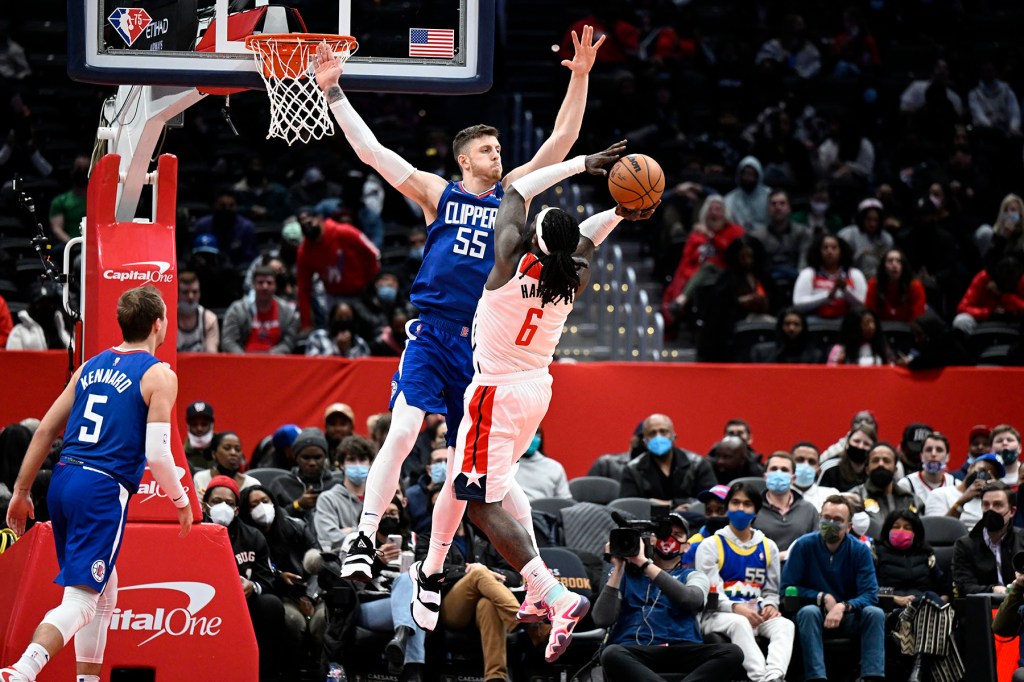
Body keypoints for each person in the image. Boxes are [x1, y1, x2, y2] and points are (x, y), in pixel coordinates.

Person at [312, 27, 607, 582]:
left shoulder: (513, 196)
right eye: (488, 150)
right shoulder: (436, 193)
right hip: (432, 331)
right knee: (402, 431)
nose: (499, 155)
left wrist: (581, 76)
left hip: (480, 347)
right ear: (465, 160)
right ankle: (364, 535)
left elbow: (563, 140)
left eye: (499, 148)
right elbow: (373, 153)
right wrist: (333, 94)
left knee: (472, 470)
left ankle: (482, 571)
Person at [406, 143, 654, 662]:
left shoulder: (505, 269)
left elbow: (518, 189)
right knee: (491, 486)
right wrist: (620, 211)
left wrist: (585, 166)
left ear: (530, 242)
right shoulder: (574, 276)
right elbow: (586, 239)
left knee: (479, 505)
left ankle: (557, 594)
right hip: (536, 391)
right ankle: (541, 595)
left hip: (493, 393)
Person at [2, 285, 192, 682]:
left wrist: (21, 491)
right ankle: (22, 671)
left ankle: (86, 678)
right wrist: (181, 498)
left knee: (105, 588)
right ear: (159, 325)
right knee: (83, 600)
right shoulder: (159, 374)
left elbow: (44, 431)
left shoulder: (89, 366)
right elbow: (158, 454)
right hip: (101, 488)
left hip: (63, 480)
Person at [593, 513, 745, 681]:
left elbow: (690, 599)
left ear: (686, 546)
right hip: (634, 650)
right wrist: (618, 567)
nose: (669, 539)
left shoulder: (693, 575)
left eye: (677, 535)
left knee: (732, 652)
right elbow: (601, 619)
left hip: (681, 649)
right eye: (664, 534)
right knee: (611, 653)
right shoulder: (624, 575)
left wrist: (645, 564)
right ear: (652, 540)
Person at [697, 482, 794, 682]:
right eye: (735, 503)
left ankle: (775, 675)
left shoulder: (769, 547)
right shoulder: (711, 545)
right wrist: (737, 608)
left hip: (756, 614)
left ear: (756, 511)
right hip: (717, 615)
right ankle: (760, 678)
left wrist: (769, 605)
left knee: (785, 625)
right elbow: (710, 594)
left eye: (747, 504)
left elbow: (771, 591)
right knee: (740, 622)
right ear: (728, 507)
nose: (740, 509)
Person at [782, 495, 885, 682]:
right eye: (826, 518)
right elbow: (787, 588)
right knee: (808, 611)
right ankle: (816, 678)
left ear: (849, 526)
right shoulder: (803, 545)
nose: (830, 523)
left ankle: (871, 677)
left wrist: (843, 606)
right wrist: (822, 597)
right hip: (814, 616)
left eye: (838, 520)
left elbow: (870, 594)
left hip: (848, 615)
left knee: (875, 613)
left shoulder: (860, 550)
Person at [202, 476, 284, 682]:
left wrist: (252, 586)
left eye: (229, 503)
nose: (223, 507)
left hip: (243, 604)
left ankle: (264, 674)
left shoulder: (253, 536)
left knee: (271, 604)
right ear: (205, 505)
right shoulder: (193, 530)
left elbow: (267, 579)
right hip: (203, 602)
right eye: (216, 501)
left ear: (237, 510)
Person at [872, 510, 953, 680]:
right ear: (887, 529)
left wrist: (938, 603)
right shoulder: (875, 553)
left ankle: (920, 664)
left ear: (916, 532)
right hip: (891, 609)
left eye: (907, 527)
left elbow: (945, 591)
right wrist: (895, 599)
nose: (901, 530)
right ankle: (920, 666)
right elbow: (868, 588)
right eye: (896, 526)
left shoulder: (926, 555)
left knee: (933, 603)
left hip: (925, 608)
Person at [295, 208, 381, 333]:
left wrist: (369, 280)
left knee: (369, 330)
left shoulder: (344, 231)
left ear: (319, 218)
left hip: (360, 292)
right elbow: (303, 288)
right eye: (302, 225)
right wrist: (306, 323)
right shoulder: (304, 252)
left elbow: (373, 253)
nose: (307, 228)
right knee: (335, 333)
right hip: (332, 296)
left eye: (309, 222)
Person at [621, 414, 718, 512]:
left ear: (674, 436)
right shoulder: (632, 469)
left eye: (663, 432)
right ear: (645, 441)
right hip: (650, 525)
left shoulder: (698, 464)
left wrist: (671, 504)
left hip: (693, 523)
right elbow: (630, 508)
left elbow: (712, 502)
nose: (658, 437)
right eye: (652, 433)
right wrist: (671, 511)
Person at [951, 482, 1024, 595]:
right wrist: (993, 590)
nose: (991, 510)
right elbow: (964, 586)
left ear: (1012, 512)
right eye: (986, 505)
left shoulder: (1022, 539)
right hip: (982, 606)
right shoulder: (965, 545)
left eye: (997, 505)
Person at [314, 435, 376, 552]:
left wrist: (349, 532)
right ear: (342, 465)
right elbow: (329, 539)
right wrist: (366, 532)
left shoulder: (379, 499)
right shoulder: (328, 499)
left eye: (362, 459)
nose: (358, 465)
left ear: (370, 463)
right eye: (352, 460)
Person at [221, 266, 300, 354]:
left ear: (275, 286)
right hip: (243, 362)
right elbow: (229, 341)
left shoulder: (287, 311)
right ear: (253, 285)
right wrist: (244, 359)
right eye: (260, 282)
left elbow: (288, 343)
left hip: (275, 362)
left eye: (269, 283)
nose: (265, 286)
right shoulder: (237, 310)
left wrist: (268, 358)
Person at [849, 443, 923, 534]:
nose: (880, 464)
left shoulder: (912, 500)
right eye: (875, 460)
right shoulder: (854, 497)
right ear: (867, 469)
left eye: (886, 461)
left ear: (895, 469)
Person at [757, 452, 819, 559]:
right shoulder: (753, 508)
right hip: (761, 569)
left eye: (784, 470)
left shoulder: (809, 510)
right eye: (774, 469)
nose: (779, 473)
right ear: (765, 476)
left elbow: (817, 547)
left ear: (793, 478)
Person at [792, 233, 867, 320]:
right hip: (815, 320)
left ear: (841, 251)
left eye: (834, 248)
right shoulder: (808, 273)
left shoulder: (854, 274)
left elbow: (864, 304)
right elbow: (798, 304)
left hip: (846, 321)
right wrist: (827, 296)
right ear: (818, 251)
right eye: (825, 248)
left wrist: (846, 290)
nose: (829, 251)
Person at [268, 427, 335, 522]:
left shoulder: (336, 483)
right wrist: (298, 505)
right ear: (296, 458)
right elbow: (271, 519)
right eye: (306, 458)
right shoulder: (280, 484)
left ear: (325, 457)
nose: (312, 463)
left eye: (317, 457)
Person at [925, 453, 1004, 531]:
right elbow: (936, 532)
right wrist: (961, 502)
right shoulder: (940, 494)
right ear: (971, 467)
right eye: (982, 471)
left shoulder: (991, 504)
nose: (985, 477)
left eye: (992, 475)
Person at [192, 431, 260, 499]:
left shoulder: (252, 484)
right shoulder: (200, 478)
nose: (233, 453)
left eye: (238, 449)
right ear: (214, 454)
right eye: (227, 448)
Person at [865, 248, 927, 322]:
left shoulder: (915, 286)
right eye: (890, 261)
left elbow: (918, 317)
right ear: (884, 266)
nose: (894, 265)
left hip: (909, 330)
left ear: (903, 266)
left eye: (898, 261)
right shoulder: (874, 284)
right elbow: (869, 313)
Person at [514, 430, 571, 501]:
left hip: (545, 510)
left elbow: (565, 501)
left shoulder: (554, 467)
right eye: (528, 432)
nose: (531, 437)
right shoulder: (505, 466)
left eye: (536, 433)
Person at [897, 432, 956, 500]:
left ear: (947, 457)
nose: (933, 454)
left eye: (939, 450)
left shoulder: (955, 485)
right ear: (921, 456)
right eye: (929, 450)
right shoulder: (906, 485)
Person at [819, 424, 877, 492]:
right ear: (847, 444)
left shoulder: (875, 471)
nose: (860, 446)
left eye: (866, 444)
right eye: (856, 441)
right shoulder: (830, 469)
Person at [826, 307, 894, 366]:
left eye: (873, 322)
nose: (872, 327)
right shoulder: (839, 351)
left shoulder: (882, 349)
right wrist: (839, 364)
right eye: (866, 324)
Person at [48, 155, 89, 245]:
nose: (81, 172)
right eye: (79, 168)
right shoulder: (60, 201)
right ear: (72, 172)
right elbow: (57, 229)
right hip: (70, 246)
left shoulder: (98, 200)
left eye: (85, 169)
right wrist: (74, 244)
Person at [724, 155, 771, 232]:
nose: (747, 178)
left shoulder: (769, 196)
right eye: (744, 174)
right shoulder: (729, 199)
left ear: (758, 176)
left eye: (751, 174)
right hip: (738, 238)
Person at [176, 271, 219, 353]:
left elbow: (211, 355)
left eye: (195, 292)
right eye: (185, 292)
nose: (190, 297)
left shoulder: (209, 319)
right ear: (177, 294)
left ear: (200, 293)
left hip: (201, 365)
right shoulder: (168, 319)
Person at [791, 442, 839, 512]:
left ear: (818, 471)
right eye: (800, 460)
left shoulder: (830, 495)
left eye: (811, 462)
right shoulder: (778, 494)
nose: (805, 465)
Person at [183, 400, 216, 472]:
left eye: (204, 424)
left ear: (211, 425)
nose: (199, 428)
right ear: (188, 426)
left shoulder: (225, 451)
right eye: (194, 424)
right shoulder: (181, 455)